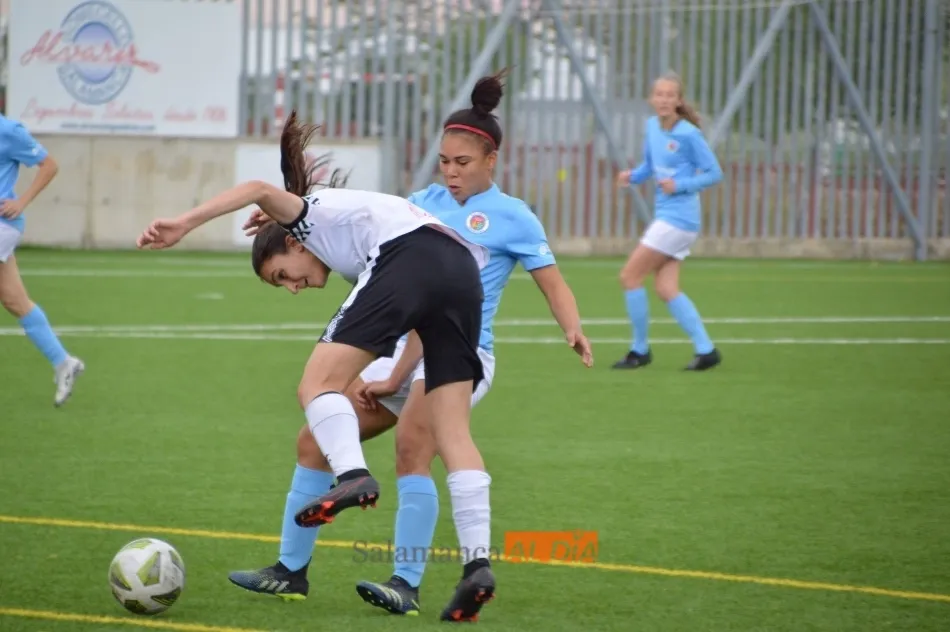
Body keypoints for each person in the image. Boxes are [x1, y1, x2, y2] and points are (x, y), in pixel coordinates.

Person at [227, 71, 593, 622]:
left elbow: (553, 281)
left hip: (457, 350)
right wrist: (292, 217)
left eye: (461, 163)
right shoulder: (420, 202)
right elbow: (362, 233)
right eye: (444, 160)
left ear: (491, 160)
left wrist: (572, 326)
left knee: (413, 448)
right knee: (313, 442)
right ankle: (289, 571)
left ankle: (407, 582)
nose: (449, 171)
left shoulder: (514, 216)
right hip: (396, 349)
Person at [135, 110, 498, 622]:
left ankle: (352, 476)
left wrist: (183, 223)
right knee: (453, 431)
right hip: (462, 271)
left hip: (411, 256)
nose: (292, 287)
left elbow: (259, 187)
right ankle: (476, 566)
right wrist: (395, 378)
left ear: (294, 242)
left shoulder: (307, 215)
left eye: (283, 274)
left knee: (316, 383)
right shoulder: (344, 230)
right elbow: (420, 314)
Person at [613, 72, 723, 371]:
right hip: (668, 217)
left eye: (669, 95)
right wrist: (632, 177)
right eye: (658, 94)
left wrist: (681, 185)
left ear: (678, 100)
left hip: (680, 219)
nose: (663, 100)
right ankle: (706, 350)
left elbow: (714, 173)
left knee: (630, 277)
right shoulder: (651, 127)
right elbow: (650, 165)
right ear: (652, 99)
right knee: (665, 287)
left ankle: (639, 351)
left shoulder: (688, 134)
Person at [0, 114, 85, 405]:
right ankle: (64, 363)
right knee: (14, 301)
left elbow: (49, 165)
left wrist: (21, 201)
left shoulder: (8, 131)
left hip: (3, 224)